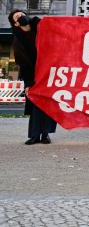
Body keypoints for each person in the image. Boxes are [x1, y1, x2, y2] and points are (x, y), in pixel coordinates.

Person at [9, 9, 57, 145]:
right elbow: (22, 62)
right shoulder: (18, 39)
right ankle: (35, 135)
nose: (20, 16)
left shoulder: (40, 26)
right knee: (36, 105)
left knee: (48, 104)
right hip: (33, 75)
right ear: (16, 24)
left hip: (48, 72)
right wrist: (29, 83)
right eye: (16, 17)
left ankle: (45, 135)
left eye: (21, 14)